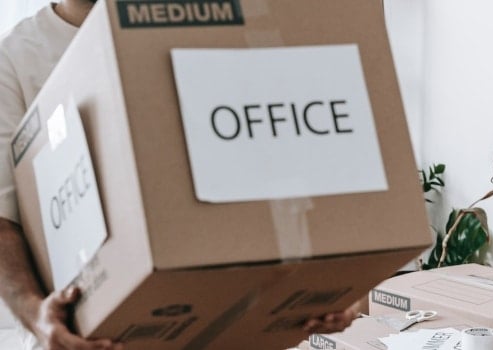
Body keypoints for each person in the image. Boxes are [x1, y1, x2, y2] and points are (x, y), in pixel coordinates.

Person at [0, 1, 356, 349]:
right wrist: (37, 316)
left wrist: (330, 280)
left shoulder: (194, 24)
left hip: (224, 315)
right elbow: (3, 220)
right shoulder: (15, 58)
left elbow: (271, 158)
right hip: (88, 333)